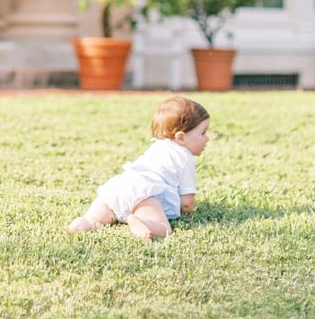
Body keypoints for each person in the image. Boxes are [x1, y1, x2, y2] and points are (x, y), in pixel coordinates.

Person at [69, 95, 210, 241]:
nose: (207, 138)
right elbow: (186, 203)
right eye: (203, 133)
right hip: (146, 194)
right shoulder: (185, 157)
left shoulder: (158, 144)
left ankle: (82, 223)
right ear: (181, 138)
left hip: (119, 186)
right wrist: (188, 213)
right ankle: (140, 220)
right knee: (163, 227)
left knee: (93, 219)